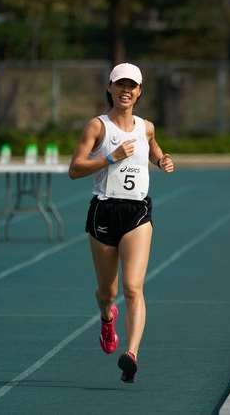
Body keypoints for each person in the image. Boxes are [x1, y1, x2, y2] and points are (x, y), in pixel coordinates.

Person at [68, 63, 174, 383]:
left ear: (139, 92)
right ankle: (106, 317)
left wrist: (161, 159)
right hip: (104, 211)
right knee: (107, 291)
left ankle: (132, 355)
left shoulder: (147, 127)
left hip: (137, 213)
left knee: (133, 287)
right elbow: (75, 169)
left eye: (132, 85)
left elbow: (153, 147)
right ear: (110, 88)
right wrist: (110, 158)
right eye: (120, 85)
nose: (126, 90)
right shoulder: (97, 127)